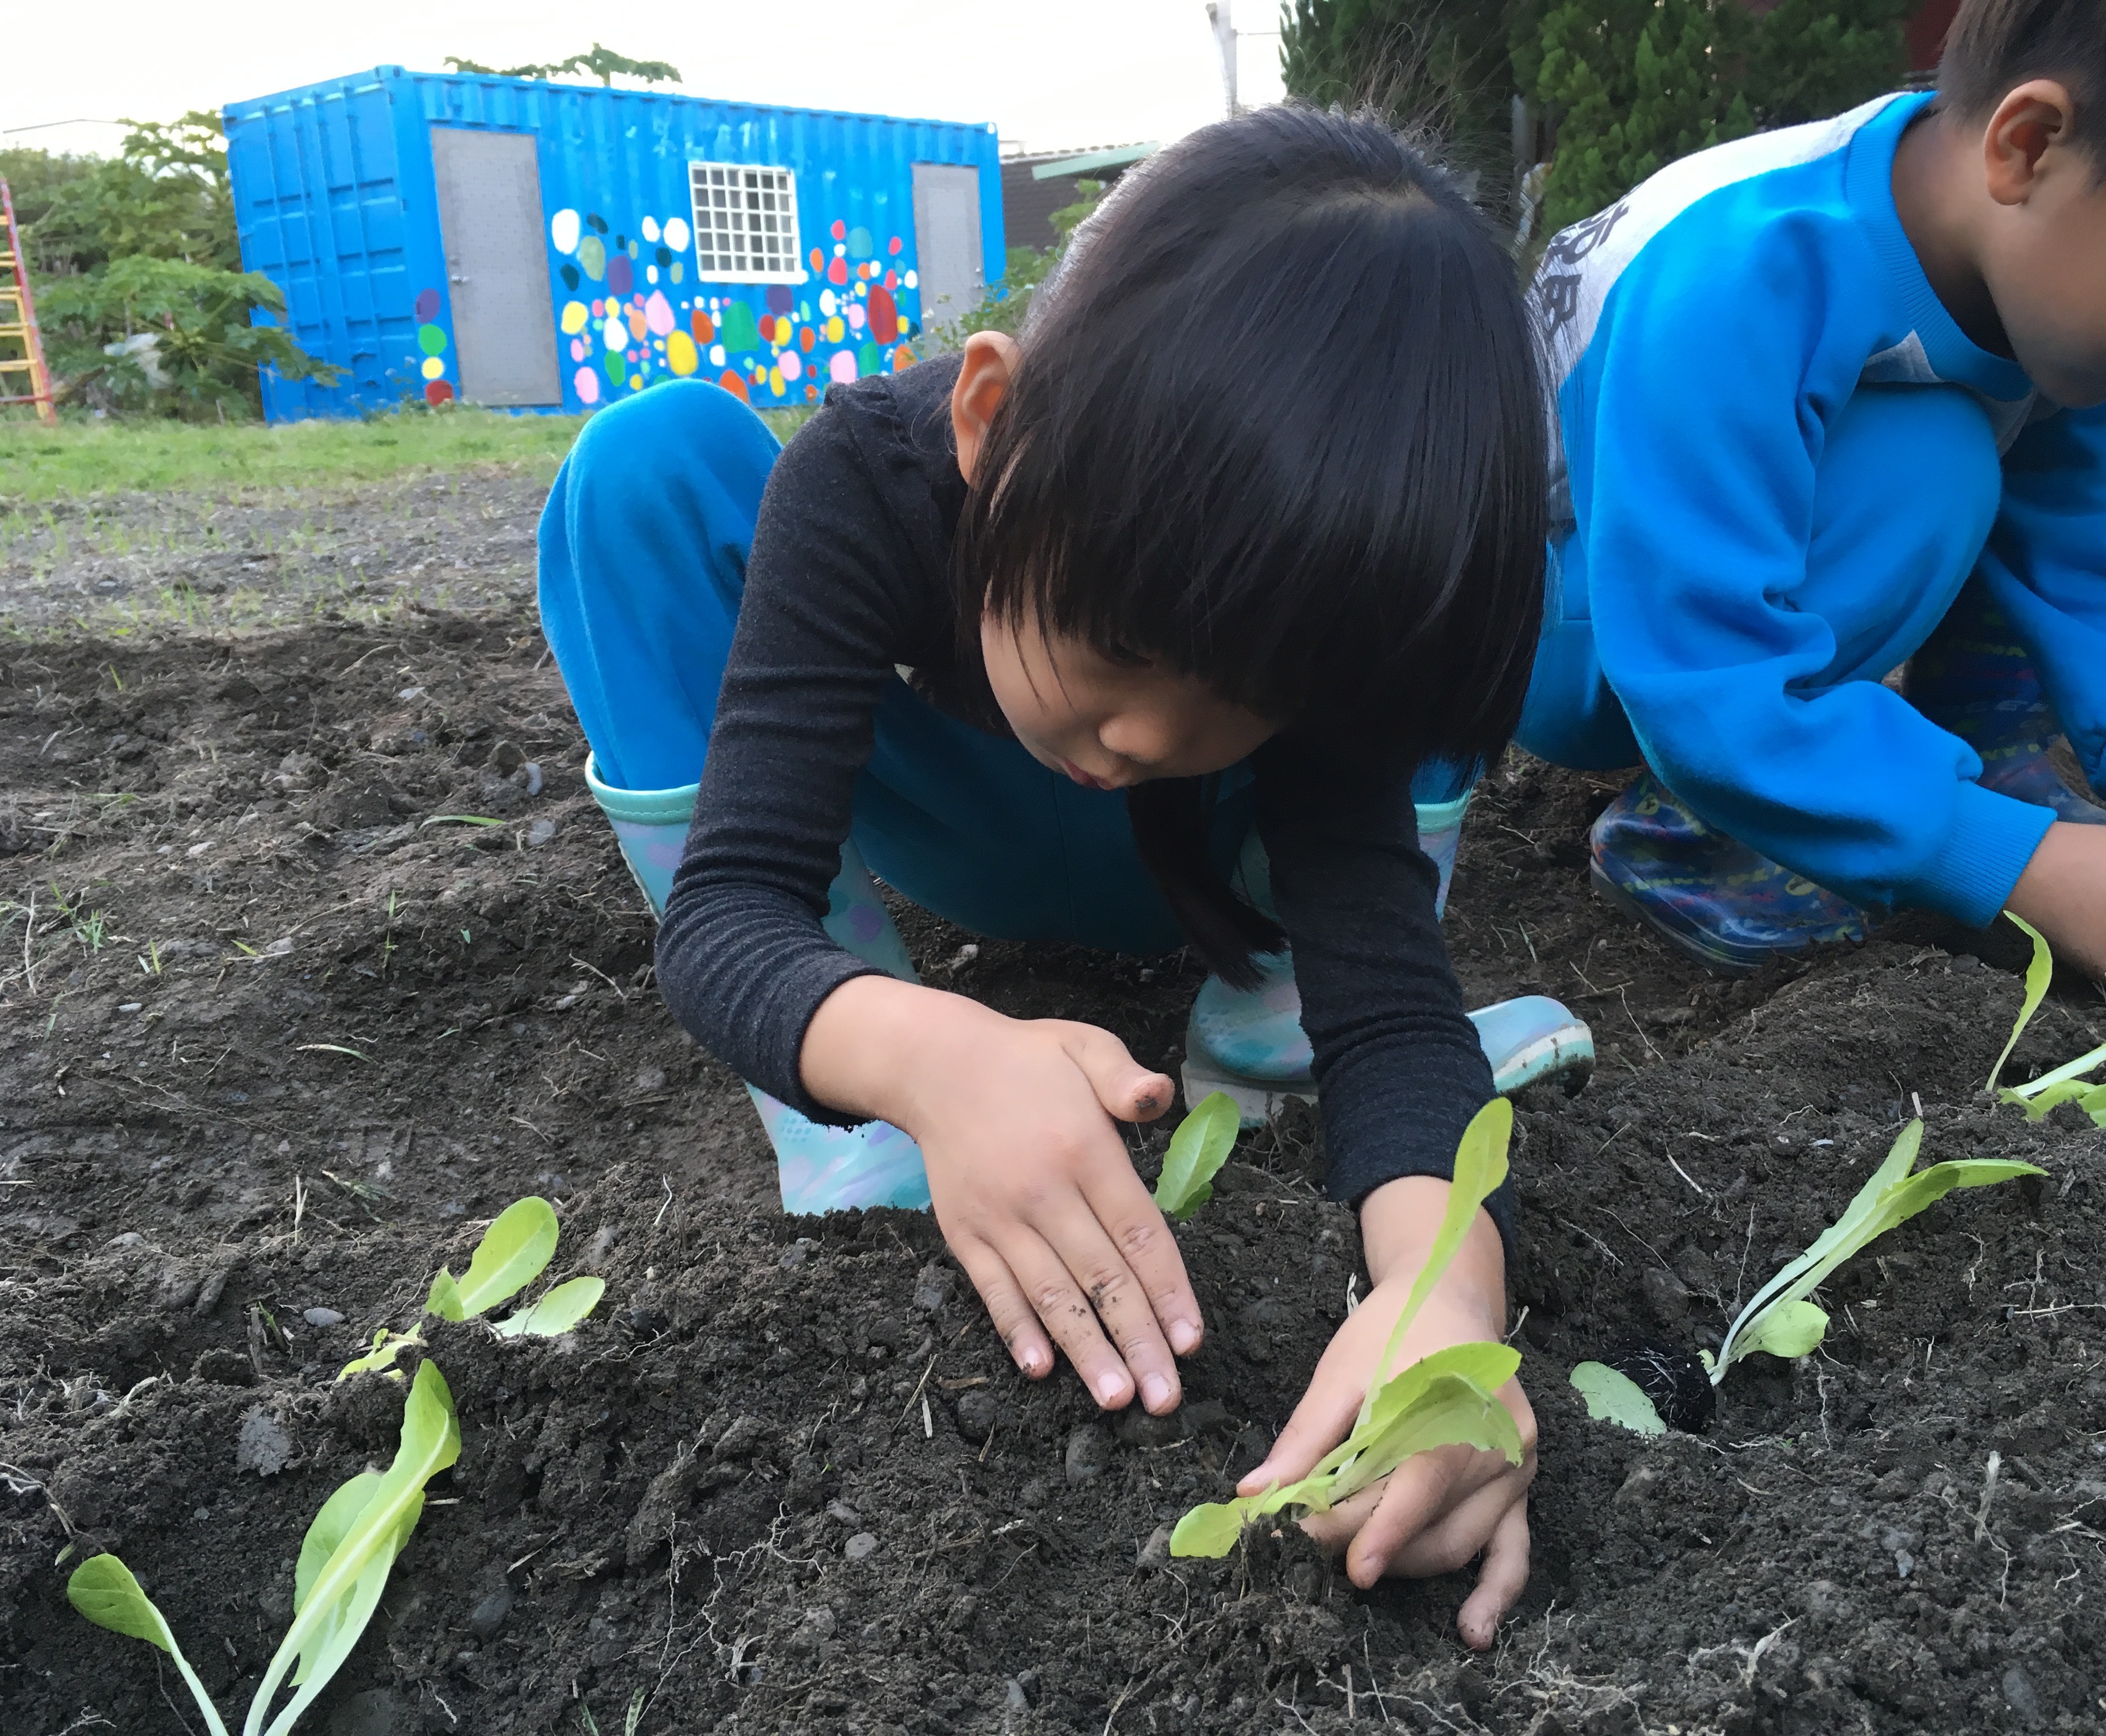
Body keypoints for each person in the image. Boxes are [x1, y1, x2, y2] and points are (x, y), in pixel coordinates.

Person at [539, 107, 1591, 1648]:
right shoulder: (867, 484)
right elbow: (726, 919)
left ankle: (1257, 1011)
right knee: (643, 462)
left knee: (1438, 596)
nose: (1151, 735)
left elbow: (1395, 1022)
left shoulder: (1301, 615)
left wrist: (1447, 1306)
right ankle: (843, 1095)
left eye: (1235, 699)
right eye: (1119, 651)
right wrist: (932, 1056)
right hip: (951, 829)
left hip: (1233, 872)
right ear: (988, 423)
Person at [1521, 0, 2106, 999]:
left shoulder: (2101, 319)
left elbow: (2101, 572)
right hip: (1562, 616)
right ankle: (1710, 836)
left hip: (1693, 607)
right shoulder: (1747, 265)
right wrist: (2033, 871)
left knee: (2008, 454)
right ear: (2031, 144)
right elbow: (1700, 661)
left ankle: (1987, 764)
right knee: (1933, 459)